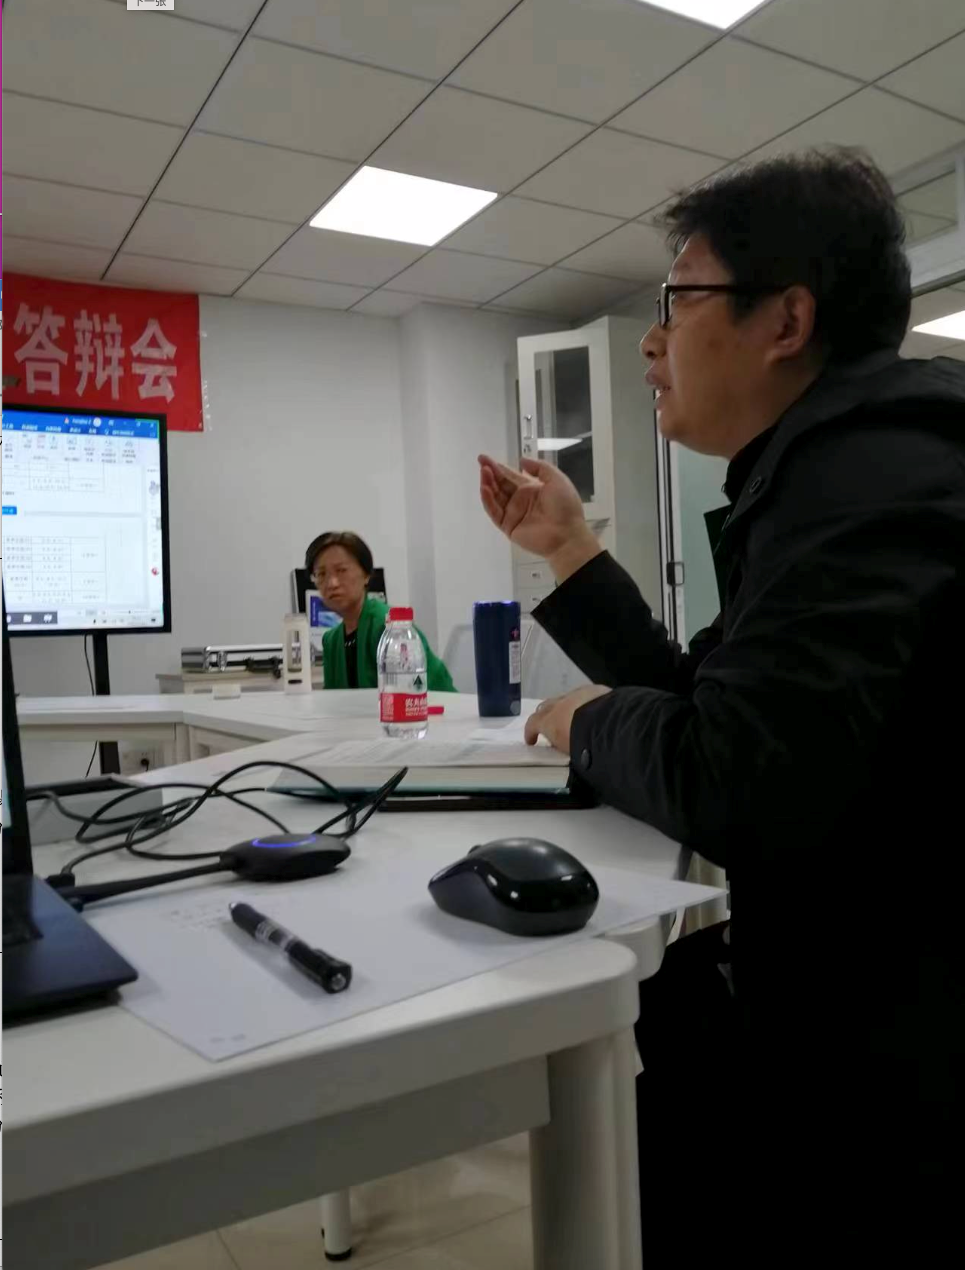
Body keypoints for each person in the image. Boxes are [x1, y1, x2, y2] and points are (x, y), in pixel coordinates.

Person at [479, 149, 965, 1261]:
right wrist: (569, 548)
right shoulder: (829, 470)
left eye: (676, 301)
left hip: (901, 1066)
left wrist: (587, 719)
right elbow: (713, 698)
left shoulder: (864, 483)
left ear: (784, 320)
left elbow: (732, 775)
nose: (649, 343)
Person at [305, 531, 454, 692]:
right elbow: (333, 701)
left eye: (341, 570)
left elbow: (420, 691)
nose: (332, 583)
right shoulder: (331, 640)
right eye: (321, 574)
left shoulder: (391, 629)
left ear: (366, 575)